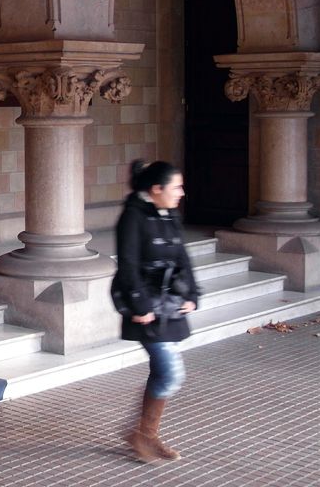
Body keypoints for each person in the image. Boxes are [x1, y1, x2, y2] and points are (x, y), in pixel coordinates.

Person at [112, 159, 200, 463]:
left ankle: (144, 435)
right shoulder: (133, 217)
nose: (182, 192)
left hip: (169, 304)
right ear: (156, 188)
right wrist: (140, 306)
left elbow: (182, 256)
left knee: (162, 371)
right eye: (176, 187)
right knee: (171, 373)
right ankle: (141, 435)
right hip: (146, 306)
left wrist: (192, 293)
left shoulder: (168, 213)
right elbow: (128, 265)